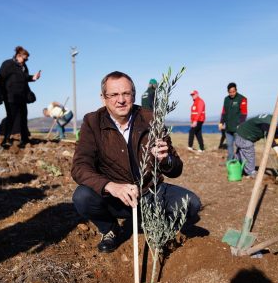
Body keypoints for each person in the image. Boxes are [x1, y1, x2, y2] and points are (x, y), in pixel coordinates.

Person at [72, 71, 201, 253]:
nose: (121, 100)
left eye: (126, 93)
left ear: (133, 94)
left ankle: (154, 227)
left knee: (191, 203)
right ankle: (109, 229)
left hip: (150, 192)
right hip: (114, 198)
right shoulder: (92, 122)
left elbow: (176, 169)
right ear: (103, 98)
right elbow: (79, 167)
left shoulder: (151, 118)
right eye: (114, 95)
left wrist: (165, 160)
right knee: (82, 196)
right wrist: (110, 186)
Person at [0, 46, 41, 148]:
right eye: (25, 58)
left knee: (23, 118)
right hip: (10, 97)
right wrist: (1, 94)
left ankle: (25, 139)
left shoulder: (24, 67)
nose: (26, 61)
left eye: (27, 59)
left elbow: (25, 78)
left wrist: (33, 77)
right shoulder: (7, 64)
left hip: (22, 97)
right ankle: (6, 140)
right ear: (18, 55)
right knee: (11, 118)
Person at [235, 114, 278, 178]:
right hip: (243, 136)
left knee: (242, 154)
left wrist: (277, 139)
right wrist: (276, 149)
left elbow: (275, 131)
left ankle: (236, 168)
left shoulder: (272, 118)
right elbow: (269, 137)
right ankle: (250, 172)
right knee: (249, 153)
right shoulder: (267, 124)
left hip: (241, 133)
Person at [219, 82, 247, 160]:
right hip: (228, 128)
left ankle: (239, 160)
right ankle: (230, 160)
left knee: (239, 145)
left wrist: (240, 124)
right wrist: (221, 122)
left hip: (237, 128)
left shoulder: (242, 99)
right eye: (230, 92)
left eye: (233, 92)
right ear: (228, 91)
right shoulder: (226, 99)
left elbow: (244, 113)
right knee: (229, 144)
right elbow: (224, 112)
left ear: (236, 90)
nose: (232, 94)